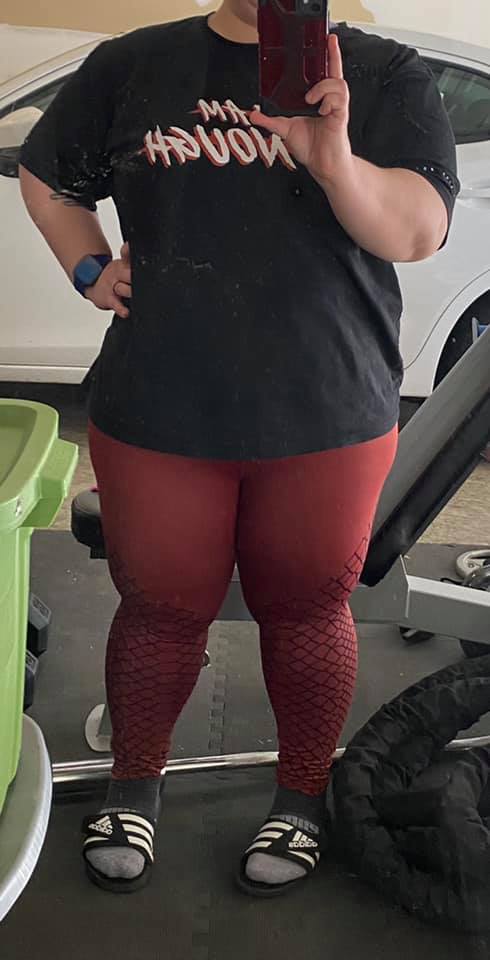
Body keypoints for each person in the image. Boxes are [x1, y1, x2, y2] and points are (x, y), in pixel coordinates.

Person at [19, 1, 459, 897]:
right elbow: (46, 176)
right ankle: (134, 784)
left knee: (307, 609)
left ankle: (300, 799)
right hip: (160, 406)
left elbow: (417, 232)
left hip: (327, 412)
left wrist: (336, 164)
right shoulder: (132, 66)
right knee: (158, 608)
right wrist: (89, 269)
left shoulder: (385, 75)